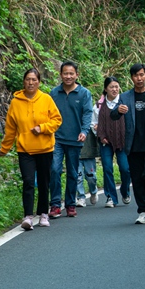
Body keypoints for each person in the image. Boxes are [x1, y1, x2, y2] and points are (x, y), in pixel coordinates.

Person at [0, 68, 62, 230]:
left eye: (34, 79)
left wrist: (43, 128)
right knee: (28, 181)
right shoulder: (15, 102)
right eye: (28, 79)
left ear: (39, 82)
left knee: (43, 182)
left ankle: (43, 214)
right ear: (23, 82)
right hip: (25, 149)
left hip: (45, 149)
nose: (31, 82)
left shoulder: (46, 99)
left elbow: (57, 120)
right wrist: (4, 149)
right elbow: (10, 129)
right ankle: (27, 216)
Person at [111, 63, 145, 224]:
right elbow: (114, 115)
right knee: (136, 179)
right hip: (133, 145)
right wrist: (118, 111)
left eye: (142, 75)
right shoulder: (125, 97)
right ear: (132, 78)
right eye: (136, 75)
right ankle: (143, 210)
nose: (139, 78)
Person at [49, 61, 93, 218]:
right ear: (60, 75)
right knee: (54, 169)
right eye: (65, 73)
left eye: (71, 73)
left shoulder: (84, 93)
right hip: (56, 138)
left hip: (75, 139)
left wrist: (84, 131)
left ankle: (70, 204)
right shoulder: (53, 93)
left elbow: (87, 113)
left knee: (73, 172)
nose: (68, 76)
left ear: (76, 75)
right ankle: (55, 204)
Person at [96, 76, 130, 207]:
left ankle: (125, 191)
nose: (114, 89)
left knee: (125, 169)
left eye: (116, 87)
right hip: (106, 142)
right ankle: (111, 197)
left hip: (122, 141)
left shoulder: (124, 102)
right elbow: (97, 123)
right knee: (107, 169)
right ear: (106, 89)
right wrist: (101, 135)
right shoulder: (99, 105)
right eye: (111, 87)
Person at [76, 116, 100, 207]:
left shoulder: (89, 115)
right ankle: (81, 197)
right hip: (76, 151)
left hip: (89, 152)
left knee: (91, 176)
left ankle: (93, 191)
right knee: (78, 176)